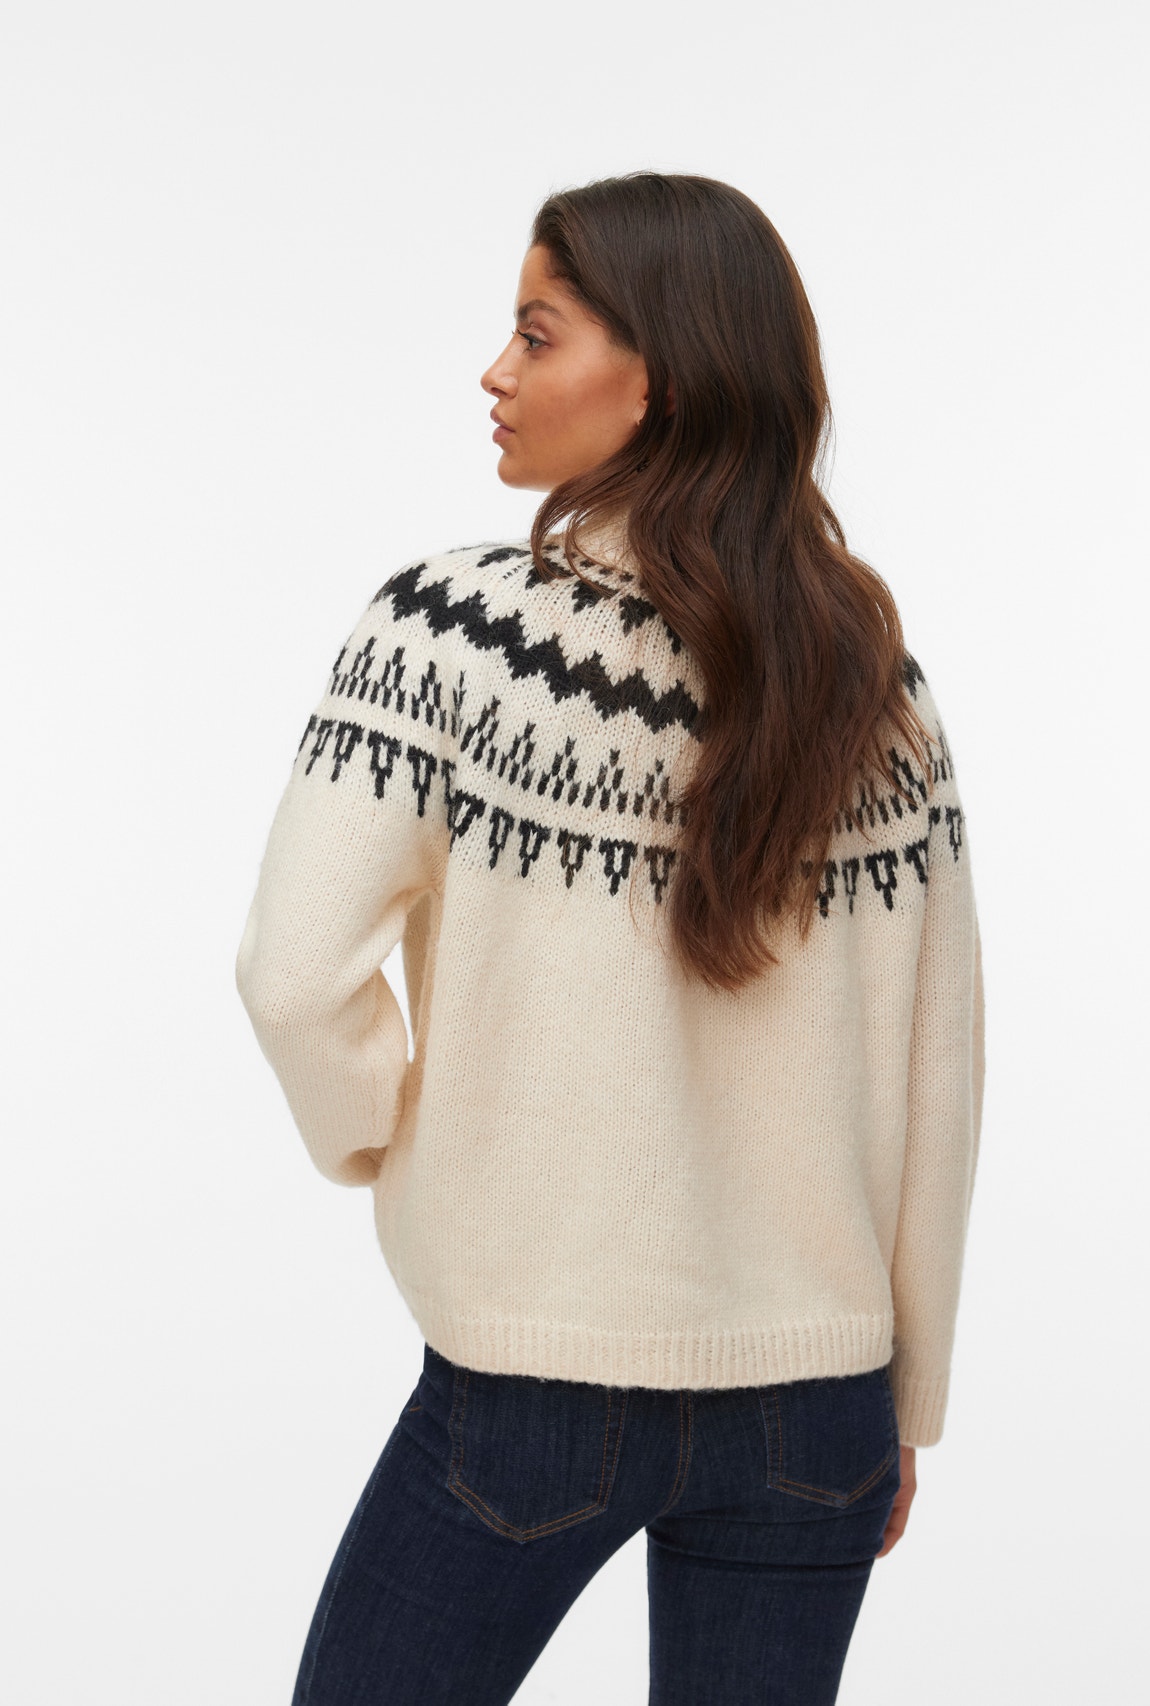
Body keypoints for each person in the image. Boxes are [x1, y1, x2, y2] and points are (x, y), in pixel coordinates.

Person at [235, 170, 985, 1706]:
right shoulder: (875, 689)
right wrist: (904, 1394)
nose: (494, 374)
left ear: (657, 380)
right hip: (815, 1404)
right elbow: (941, 1070)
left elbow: (293, 975)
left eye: (536, 333)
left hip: (535, 1378)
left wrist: (389, 1137)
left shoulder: (450, 636)